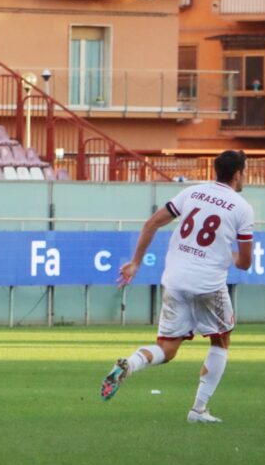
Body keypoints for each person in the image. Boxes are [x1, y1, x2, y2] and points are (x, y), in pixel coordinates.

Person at [100, 150, 254, 423]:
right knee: (221, 340)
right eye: (245, 170)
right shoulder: (241, 207)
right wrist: (225, 255)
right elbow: (244, 263)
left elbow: (152, 223)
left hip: (175, 280)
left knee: (168, 348)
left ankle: (130, 364)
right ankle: (198, 409)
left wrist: (135, 262)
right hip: (208, 284)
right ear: (237, 173)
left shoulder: (192, 193)